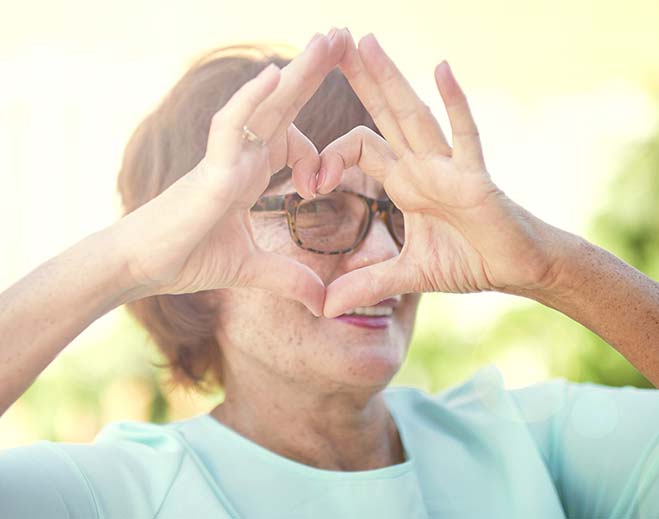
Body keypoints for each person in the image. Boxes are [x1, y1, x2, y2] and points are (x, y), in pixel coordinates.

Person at [0, 27, 658, 518]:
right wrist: (127, 259)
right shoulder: (116, 493)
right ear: (190, 255)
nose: (381, 255)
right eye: (316, 211)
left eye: (399, 212)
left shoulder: (529, 441)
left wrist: (546, 266)